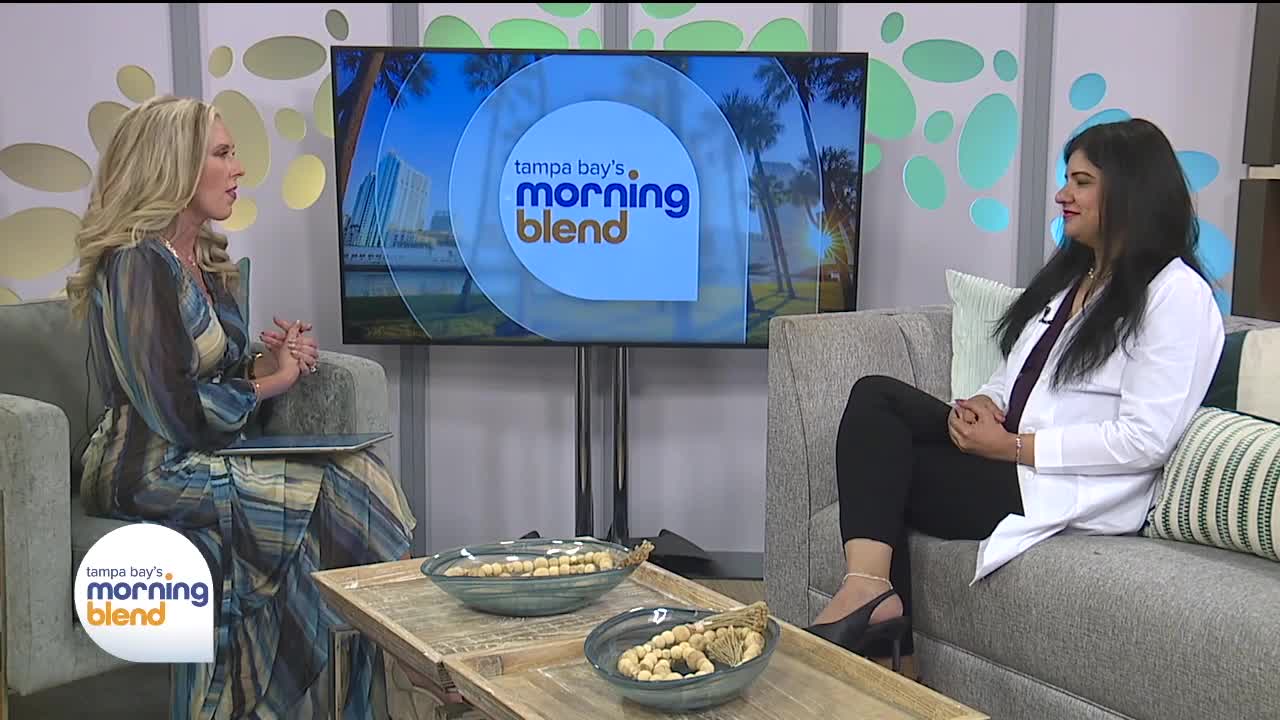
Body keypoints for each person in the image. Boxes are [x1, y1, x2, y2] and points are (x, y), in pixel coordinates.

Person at [804, 118, 1226, 668]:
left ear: (1131, 191)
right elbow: (1018, 376)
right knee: (875, 399)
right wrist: (985, 403)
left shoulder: (1177, 295)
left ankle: (884, 635)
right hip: (1009, 454)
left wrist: (1013, 447)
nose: (1062, 195)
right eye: (1066, 180)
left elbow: (1145, 440)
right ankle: (873, 599)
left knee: (888, 472)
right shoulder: (1076, 279)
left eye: (1081, 182)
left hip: (1057, 484)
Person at [66, 95, 417, 719]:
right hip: (149, 470)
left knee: (362, 472)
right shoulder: (135, 265)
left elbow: (216, 373)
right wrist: (272, 384)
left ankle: (375, 687)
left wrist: (272, 360)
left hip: (206, 453)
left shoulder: (203, 261)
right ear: (176, 166)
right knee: (345, 493)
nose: (240, 168)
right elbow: (176, 412)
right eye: (224, 154)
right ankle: (401, 668)